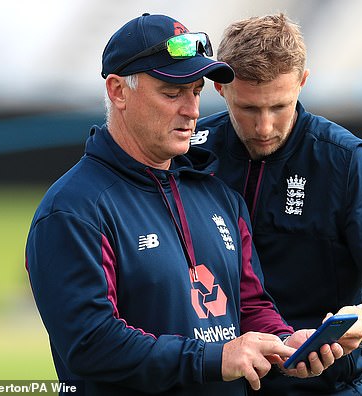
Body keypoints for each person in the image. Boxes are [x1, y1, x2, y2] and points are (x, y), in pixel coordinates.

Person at [25, 13, 344, 396]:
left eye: (195, 91)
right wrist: (214, 359)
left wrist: (283, 343)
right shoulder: (75, 209)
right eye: (171, 93)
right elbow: (91, 343)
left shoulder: (218, 196)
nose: (192, 110)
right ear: (118, 91)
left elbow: (249, 305)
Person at [193, 13, 362, 395]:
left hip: (323, 388)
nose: (264, 127)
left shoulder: (346, 162)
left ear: (302, 82)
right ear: (220, 88)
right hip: (211, 383)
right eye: (249, 109)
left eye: (279, 107)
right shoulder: (188, 152)